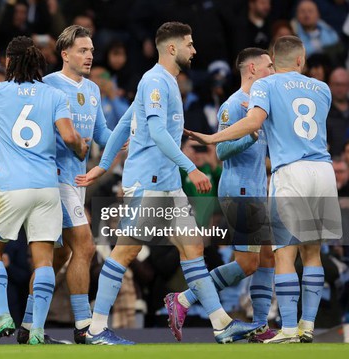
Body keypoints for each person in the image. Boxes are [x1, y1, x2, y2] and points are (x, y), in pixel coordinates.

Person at [76, 22, 263, 345]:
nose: (195, 50)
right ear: (173, 48)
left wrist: (103, 165)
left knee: (192, 250)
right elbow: (158, 132)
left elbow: (123, 123)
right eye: (190, 45)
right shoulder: (155, 81)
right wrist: (191, 168)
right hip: (149, 182)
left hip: (165, 183)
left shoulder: (164, 82)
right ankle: (95, 327)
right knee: (125, 253)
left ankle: (221, 324)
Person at [186, 35, 342, 343]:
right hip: (322, 170)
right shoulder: (323, 89)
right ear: (301, 59)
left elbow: (255, 121)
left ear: (276, 59)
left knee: (282, 254)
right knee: (312, 253)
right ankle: (306, 326)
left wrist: (212, 138)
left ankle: (286, 329)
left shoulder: (265, 87)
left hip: (289, 172)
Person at [0, 35, 88, 345]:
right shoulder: (53, 95)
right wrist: (80, 148)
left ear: (8, 63)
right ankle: (36, 329)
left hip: (11, 187)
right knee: (43, 259)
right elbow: (69, 136)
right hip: (47, 188)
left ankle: (2, 316)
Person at [164, 47, 277, 343]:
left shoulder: (260, 106)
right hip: (238, 189)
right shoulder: (234, 105)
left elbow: (258, 155)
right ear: (251, 69)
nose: (273, 71)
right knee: (248, 263)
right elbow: (222, 151)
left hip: (254, 188)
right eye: (269, 66)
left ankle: (261, 326)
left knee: (266, 258)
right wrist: (248, 137)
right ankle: (184, 299)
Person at [14, 25, 111, 345]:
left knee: (57, 256)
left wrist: (129, 141)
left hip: (77, 179)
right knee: (84, 245)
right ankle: (84, 325)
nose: (89, 56)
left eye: (92, 50)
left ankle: (28, 327)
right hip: (54, 179)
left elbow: (102, 135)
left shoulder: (93, 90)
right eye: (83, 50)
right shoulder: (47, 86)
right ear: (64, 54)